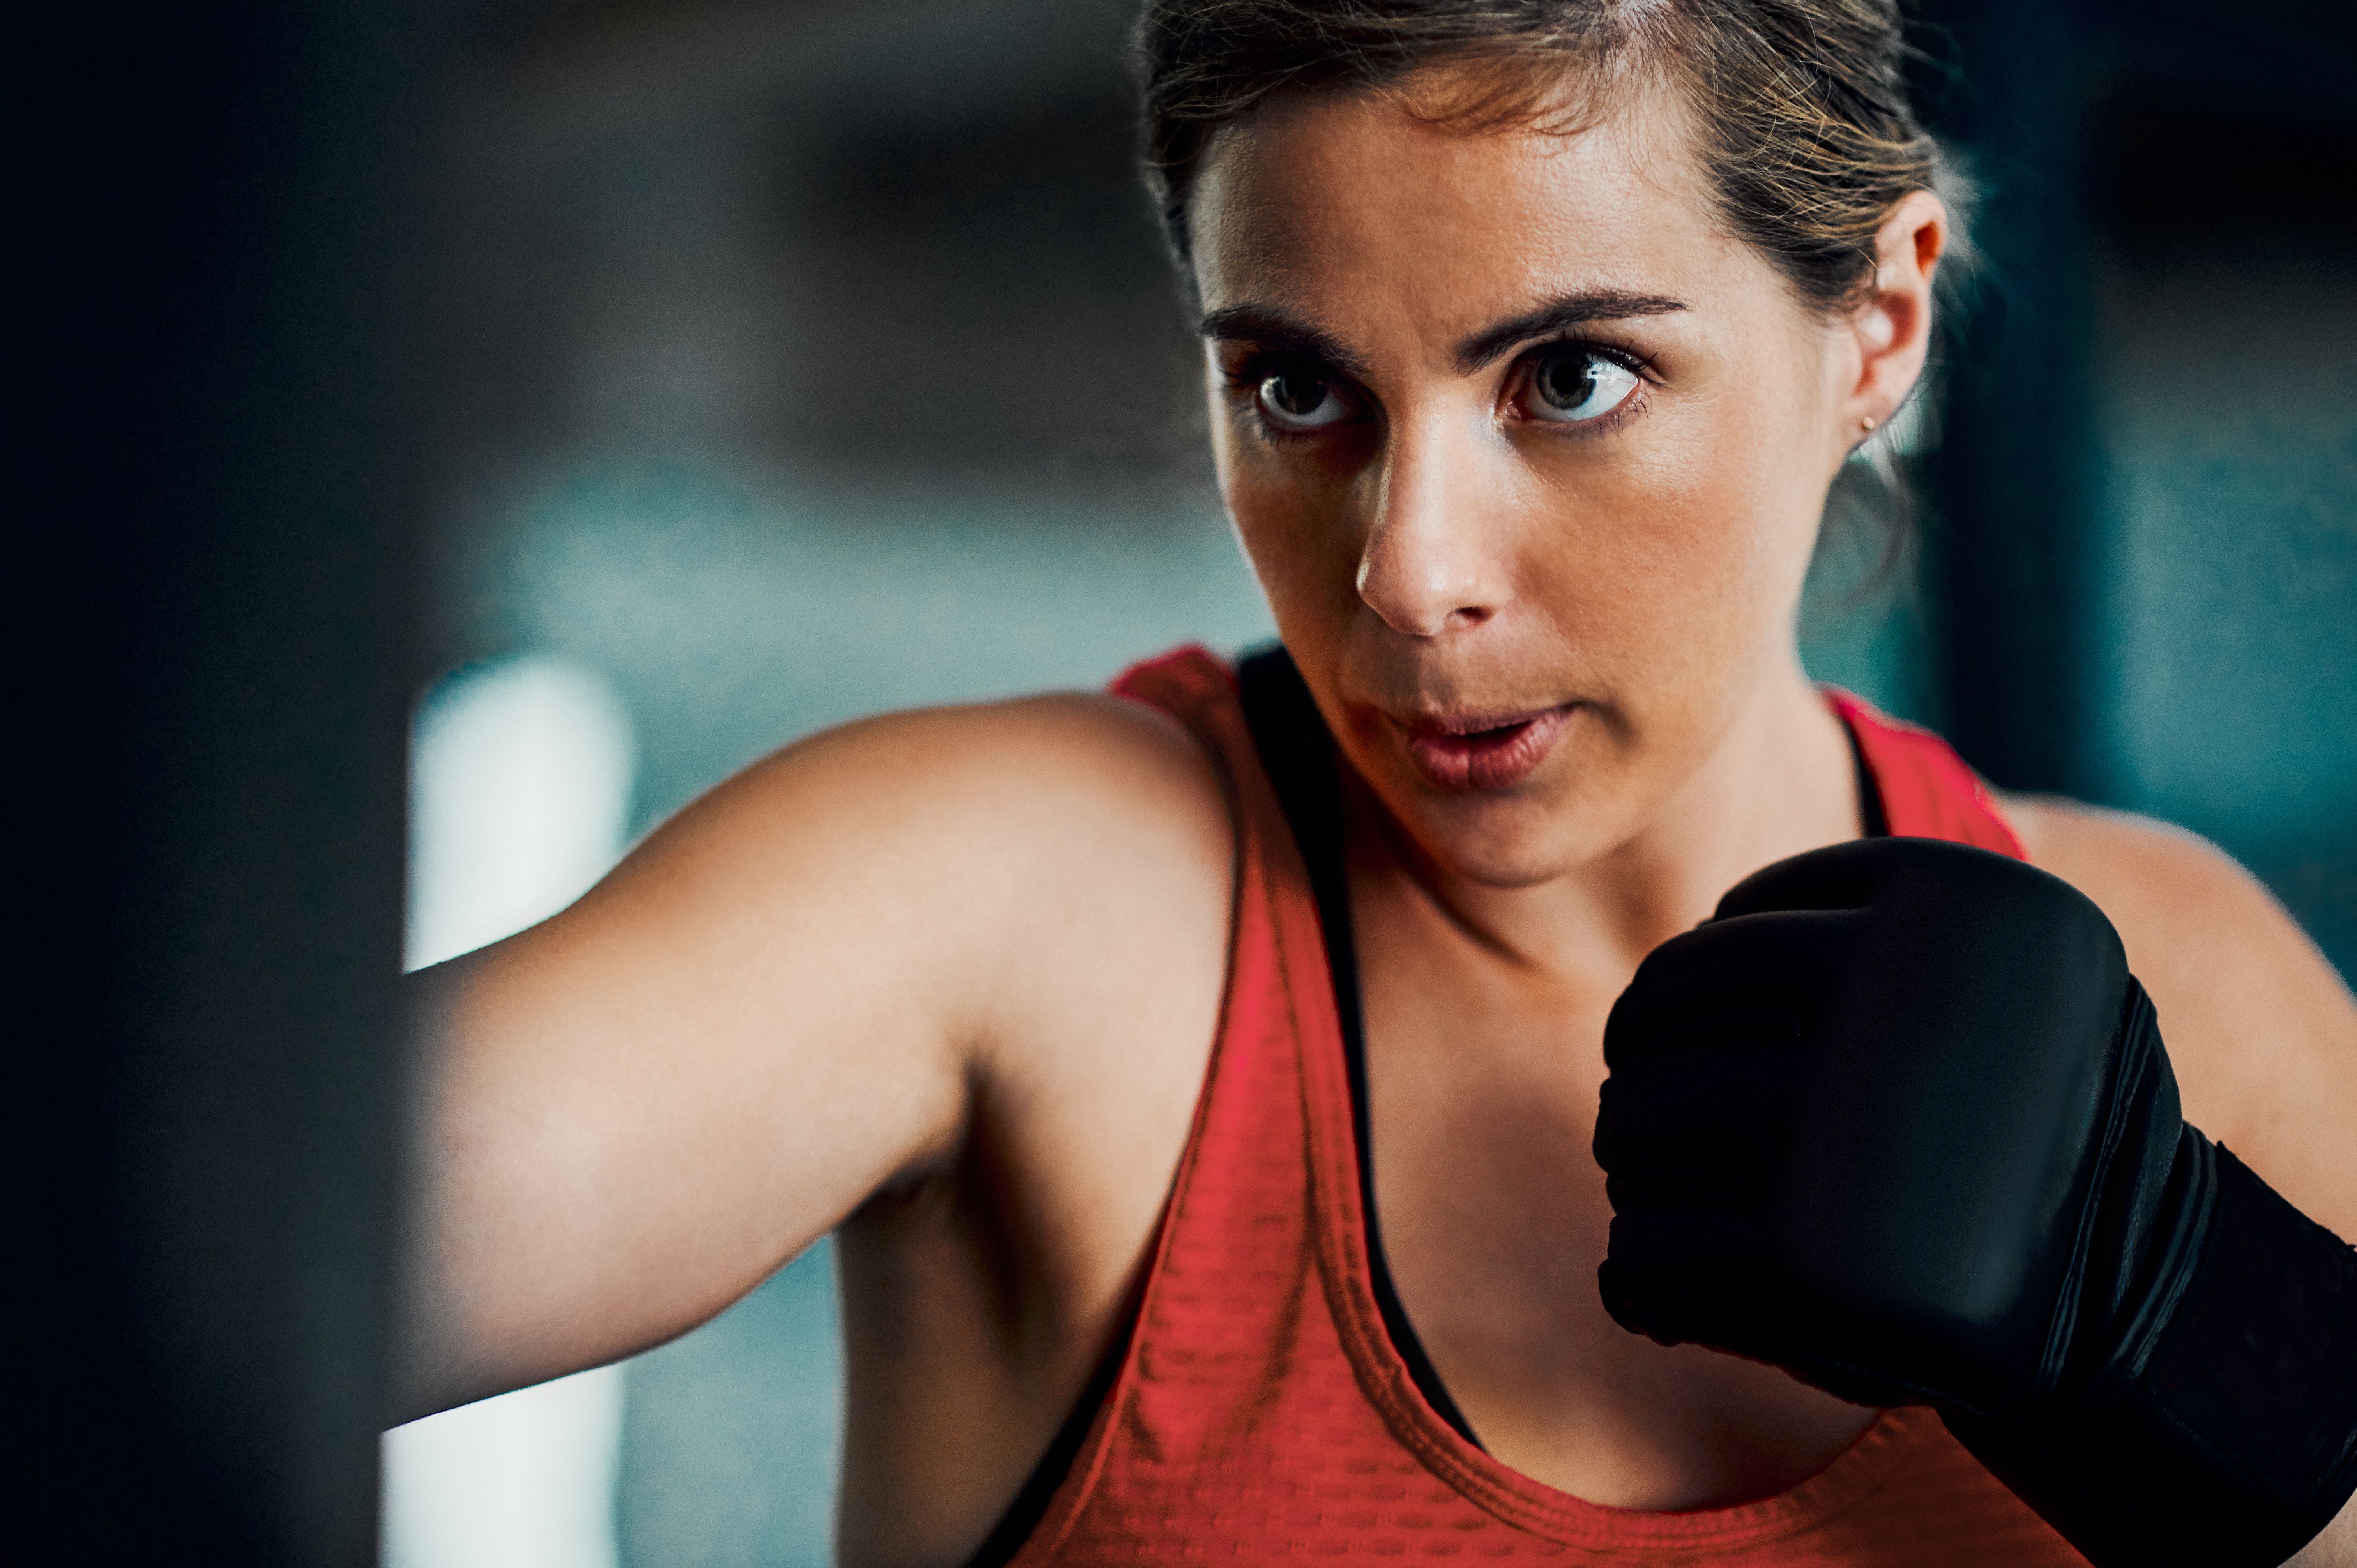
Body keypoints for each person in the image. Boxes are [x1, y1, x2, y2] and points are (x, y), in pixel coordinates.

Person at [389, 2, 2357, 1564]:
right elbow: (174, 1265)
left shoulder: (2198, 988)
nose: (1407, 575)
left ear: (1883, 324)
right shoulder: (1016, 914)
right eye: (1299, 390)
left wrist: (2200, 1340)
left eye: (1570, 376)